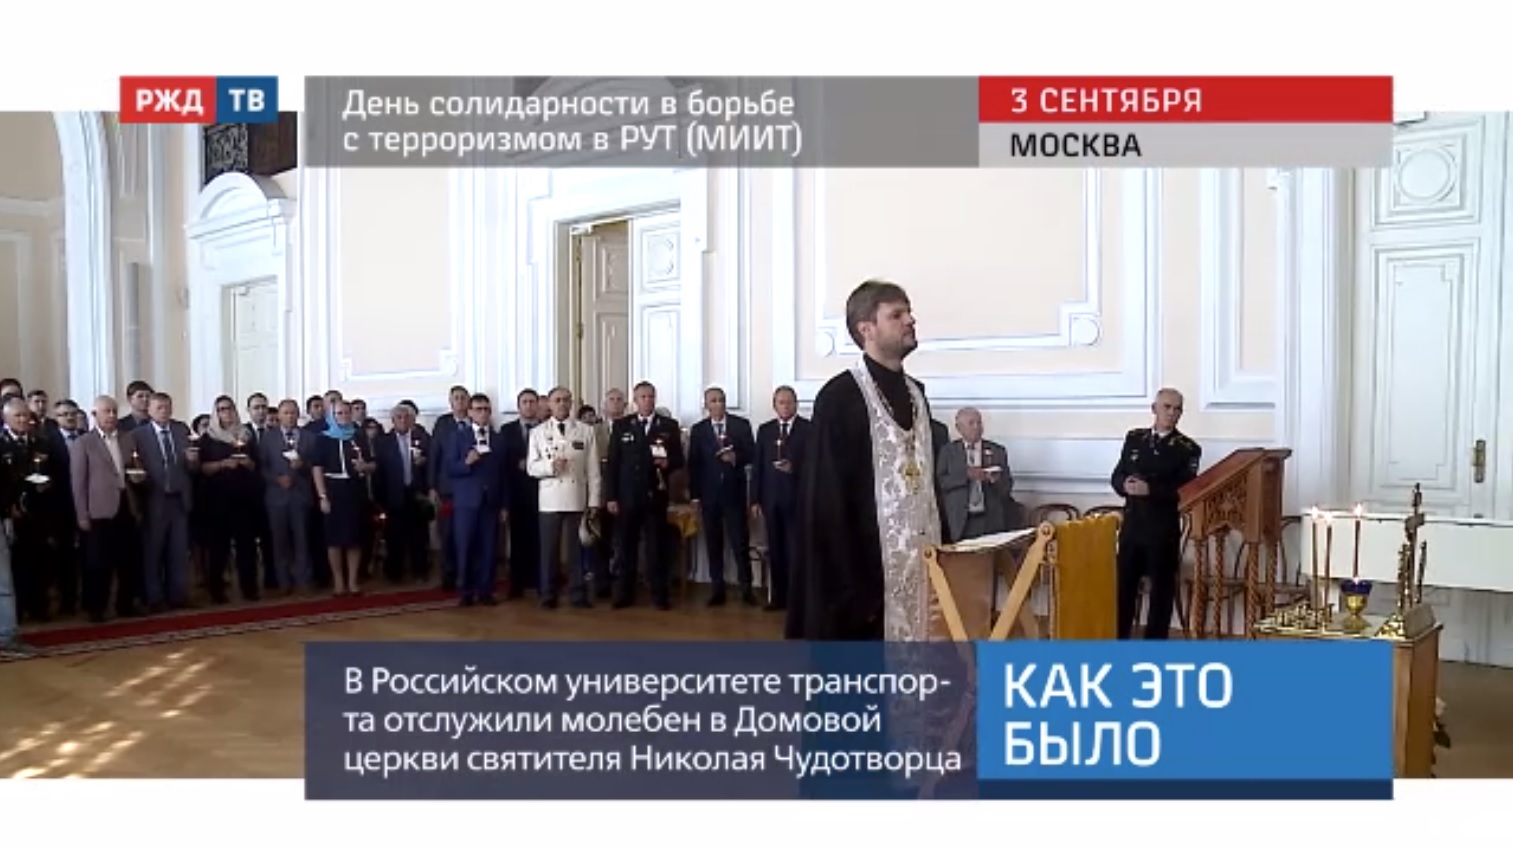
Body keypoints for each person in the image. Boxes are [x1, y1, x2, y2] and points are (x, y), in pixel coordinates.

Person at [787, 280, 943, 641]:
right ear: (866, 329)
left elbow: (929, 484)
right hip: (866, 580)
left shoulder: (916, 394)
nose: (910, 320)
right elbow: (827, 501)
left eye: (909, 312)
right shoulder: (839, 398)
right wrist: (850, 588)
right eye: (896, 315)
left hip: (923, 566)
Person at [1110, 388, 1201, 640]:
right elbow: (1117, 474)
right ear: (1154, 409)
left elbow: (1184, 490)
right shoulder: (1134, 438)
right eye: (1167, 407)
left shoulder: (1188, 448)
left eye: (1177, 409)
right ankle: (1118, 642)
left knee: (1161, 595)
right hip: (1132, 528)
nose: (1172, 413)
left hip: (1162, 531)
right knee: (1123, 590)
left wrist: (1150, 490)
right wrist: (1124, 485)